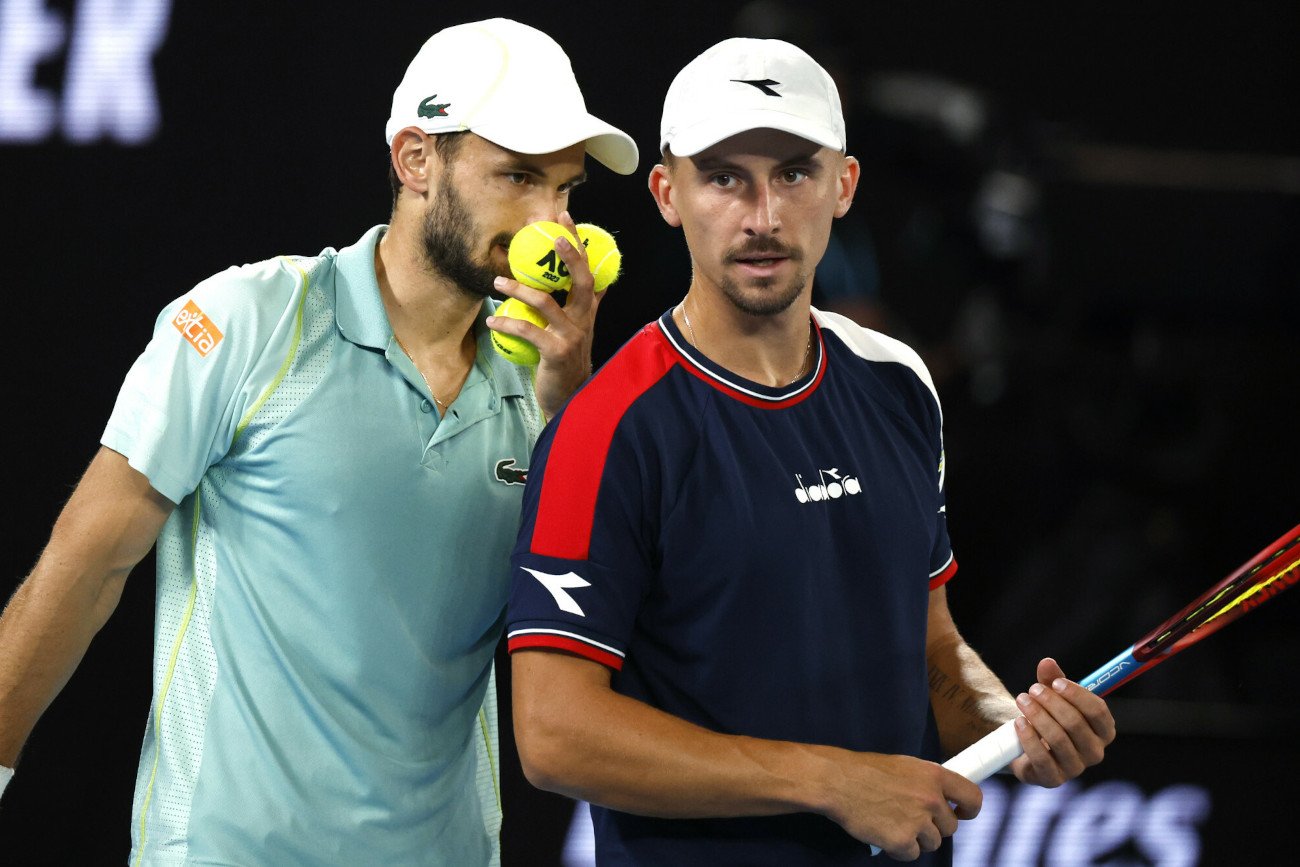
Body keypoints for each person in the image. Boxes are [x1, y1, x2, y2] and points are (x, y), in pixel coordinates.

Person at [0, 17, 636, 865]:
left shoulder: (555, 391)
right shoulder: (246, 321)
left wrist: (573, 420)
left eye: (565, 190)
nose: (550, 225)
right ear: (417, 161)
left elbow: (609, 645)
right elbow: (87, 565)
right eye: (517, 176)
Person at [504, 37, 1114, 865]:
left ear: (845, 185)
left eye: (794, 173)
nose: (763, 216)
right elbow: (553, 735)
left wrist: (1013, 727)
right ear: (666, 192)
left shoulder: (900, 384)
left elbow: (931, 640)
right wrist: (833, 780)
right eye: (725, 177)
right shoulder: (606, 426)